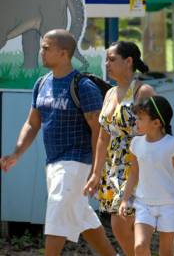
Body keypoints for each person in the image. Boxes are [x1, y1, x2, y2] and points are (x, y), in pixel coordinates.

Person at [0, 29, 116, 256]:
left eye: (46, 48)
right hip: (53, 163)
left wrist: (95, 170)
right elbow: (32, 124)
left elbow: (99, 130)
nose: (41, 51)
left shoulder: (84, 87)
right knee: (80, 215)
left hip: (76, 162)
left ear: (64, 53)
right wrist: (16, 153)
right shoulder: (41, 83)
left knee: (56, 213)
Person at [83, 41, 155, 255]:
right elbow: (102, 138)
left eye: (112, 59)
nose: (107, 64)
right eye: (106, 59)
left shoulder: (143, 91)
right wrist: (96, 174)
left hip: (135, 164)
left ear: (129, 61)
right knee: (123, 227)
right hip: (112, 168)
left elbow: (152, 133)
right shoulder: (109, 93)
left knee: (122, 221)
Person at [118, 95, 174, 255]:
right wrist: (125, 200)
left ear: (156, 123)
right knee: (139, 246)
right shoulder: (136, 144)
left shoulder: (172, 144)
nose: (136, 122)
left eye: (140, 118)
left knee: (166, 252)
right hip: (143, 205)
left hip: (169, 206)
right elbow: (133, 174)